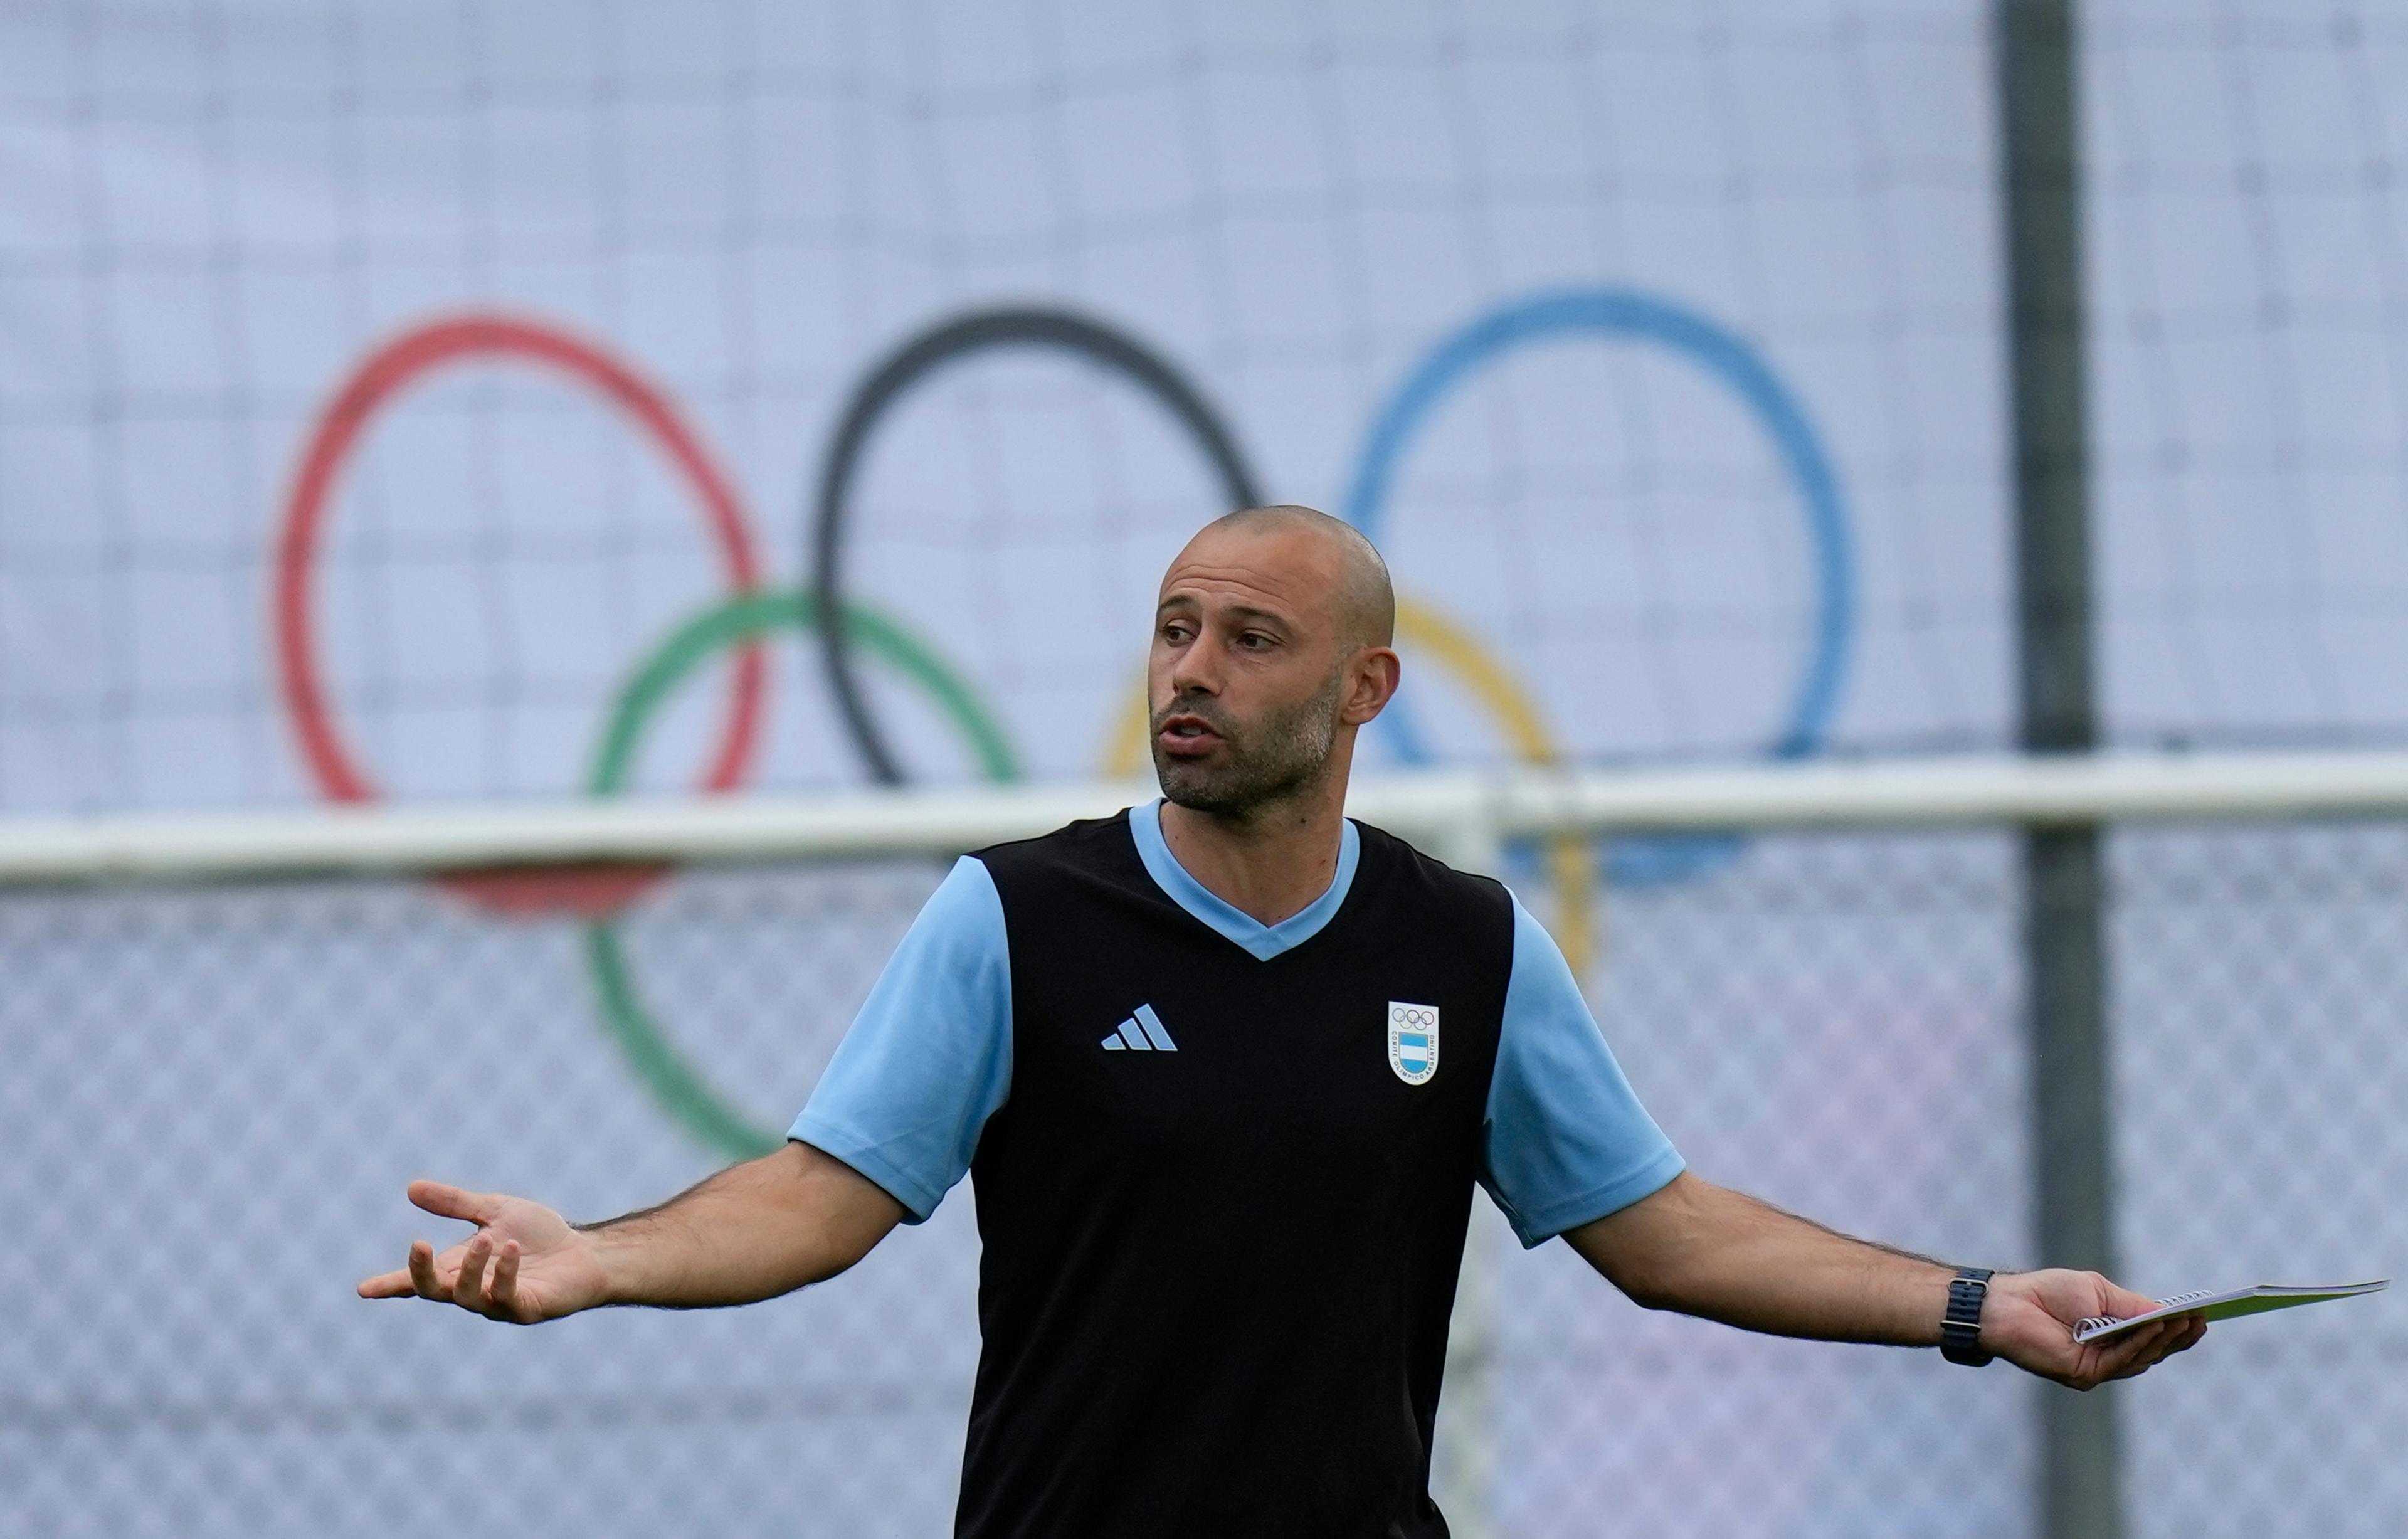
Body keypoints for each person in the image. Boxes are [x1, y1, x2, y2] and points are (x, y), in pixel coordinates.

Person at [360, 504, 2205, 1538]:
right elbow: (816, 1198)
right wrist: (599, 1257)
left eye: (1248, 637)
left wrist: (1978, 1306)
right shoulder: (1014, 916)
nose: (1192, 672)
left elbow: (1669, 1233)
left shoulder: (1467, 946)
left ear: (1365, 686)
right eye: (1173, 629)